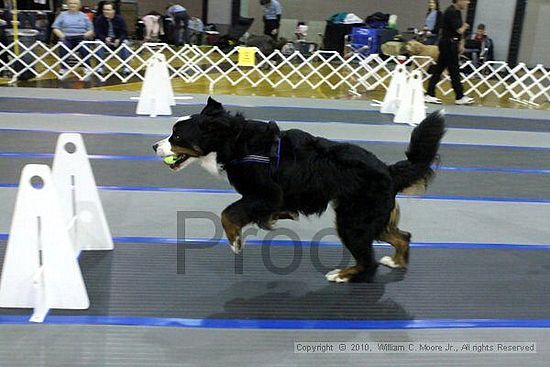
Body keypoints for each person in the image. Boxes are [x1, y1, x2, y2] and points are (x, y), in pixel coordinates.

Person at [425, 0, 474, 105]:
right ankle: (459, 96)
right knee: (454, 70)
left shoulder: (457, 12)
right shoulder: (450, 12)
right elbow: (458, 30)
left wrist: (461, 43)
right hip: (448, 44)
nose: (467, 3)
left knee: (439, 69)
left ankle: (429, 93)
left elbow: (458, 33)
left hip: (451, 43)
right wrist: (465, 26)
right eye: (465, 0)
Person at [51, 0, 94, 77]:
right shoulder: (62, 15)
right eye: (70, 3)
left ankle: (87, 67)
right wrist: (62, 36)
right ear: (67, 5)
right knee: (63, 46)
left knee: (85, 48)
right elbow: (55, 27)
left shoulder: (83, 15)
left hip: (81, 37)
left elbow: (91, 30)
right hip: (67, 37)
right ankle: (64, 68)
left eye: (75, 3)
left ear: (79, 6)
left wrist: (85, 35)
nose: (72, 5)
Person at [94, 1, 130, 76]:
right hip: (104, 42)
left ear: (113, 11)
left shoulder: (120, 19)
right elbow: (97, 33)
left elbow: (124, 33)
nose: (105, 11)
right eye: (104, 10)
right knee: (97, 42)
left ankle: (126, 67)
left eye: (108, 10)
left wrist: (119, 40)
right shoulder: (99, 19)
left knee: (126, 43)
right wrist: (105, 39)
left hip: (118, 42)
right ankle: (100, 67)